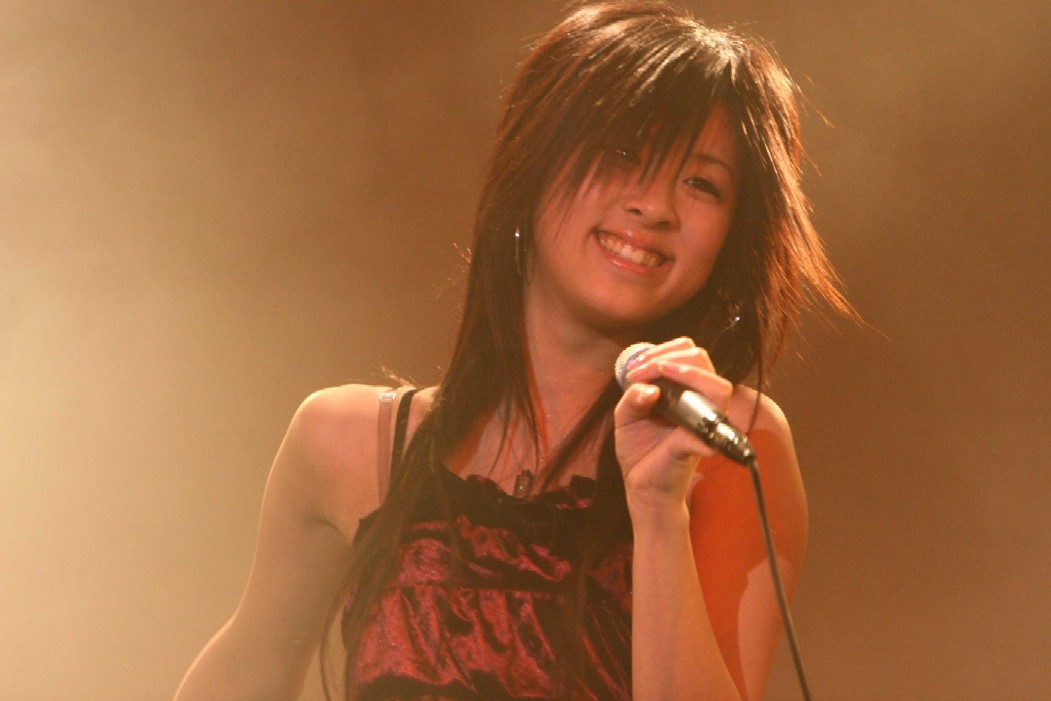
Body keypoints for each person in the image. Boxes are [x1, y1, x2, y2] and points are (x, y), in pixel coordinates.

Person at [174, 2, 849, 700]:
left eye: (701, 184)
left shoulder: (726, 447)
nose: (654, 207)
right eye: (624, 153)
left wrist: (657, 513)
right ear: (534, 161)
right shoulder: (345, 444)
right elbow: (240, 673)